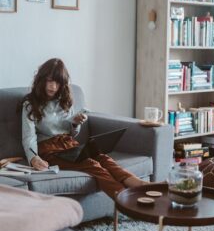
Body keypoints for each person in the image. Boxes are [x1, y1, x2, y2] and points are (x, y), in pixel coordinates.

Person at [21, 58, 148, 199]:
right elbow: (29, 136)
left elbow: (72, 133)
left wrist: (75, 123)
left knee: (102, 157)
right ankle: (124, 198)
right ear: (42, 79)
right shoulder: (30, 104)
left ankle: (138, 183)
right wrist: (33, 158)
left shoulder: (64, 101)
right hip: (49, 150)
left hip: (69, 145)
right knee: (91, 164)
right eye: (50, 81)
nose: (53, 87)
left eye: (58, 82)